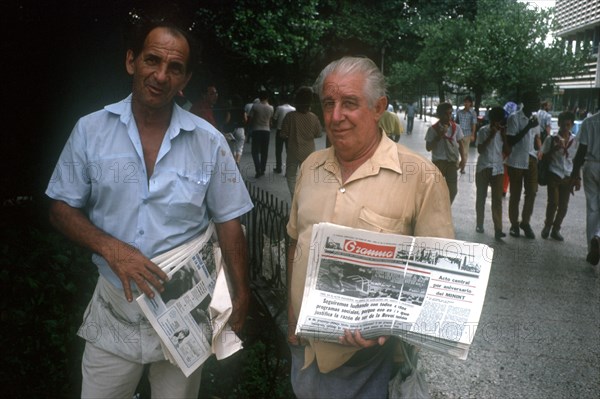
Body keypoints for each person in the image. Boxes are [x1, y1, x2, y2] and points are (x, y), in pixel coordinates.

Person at [45, 20, 253, 398]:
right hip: (114, 307)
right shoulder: (90, 130)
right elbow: (60, 207)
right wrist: (112, 249)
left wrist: (241, 295)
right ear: (131, 62)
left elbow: (229, 222)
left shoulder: (209, 142)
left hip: (184, 314)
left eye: (174, 68)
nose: (160, 75)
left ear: (185, 78)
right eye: (152, 60)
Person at [286, 56, 454, 399]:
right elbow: (295, 241)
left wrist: (383, 326)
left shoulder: (420, 178)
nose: (335, 117)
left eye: (349, 103)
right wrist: (292, 314)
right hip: (304, 352)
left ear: (379, 108)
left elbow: (440, 279)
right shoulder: (311, 167)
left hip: (372, 362)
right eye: (328, 103)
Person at [506, 91, 542, 239]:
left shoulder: (535, 118)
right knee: (515, 194)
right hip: (516, 161)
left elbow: (536, 137)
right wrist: (528, 126)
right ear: (526, 102)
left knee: (532, 192)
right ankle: (514, 225)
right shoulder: (514, 118)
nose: (538, 104)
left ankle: (525, 222)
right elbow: (511, 141)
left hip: (531, 159)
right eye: (535, 100)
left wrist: (540, 150)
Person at [541, 111, 578, 241]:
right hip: (554, 173)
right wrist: (554, 149)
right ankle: (547, 226)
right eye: (563, 125)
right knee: (553, 202)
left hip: (567, 175)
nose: (565, 128)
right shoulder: (551, 138)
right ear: (558, 124)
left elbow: (575, 160)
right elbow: (543, 156)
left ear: (572, 125)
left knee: (563, 205)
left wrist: (576, 178)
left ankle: (556, 229)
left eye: (568, 125)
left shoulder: (575, 140)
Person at [280, 86, 322, 197]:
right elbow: (319, 134)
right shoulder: (314, 117)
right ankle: (306, 198)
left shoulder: (290, 117)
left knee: (291, 176)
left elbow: (283, 134)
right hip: (309, 152)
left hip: (293, 150)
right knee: (307, 176)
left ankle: (295, 198)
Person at [570, 110, 600, 265]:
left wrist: (575, 174)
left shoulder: (589, 122)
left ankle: (591, 248)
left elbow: (581, 150)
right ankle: (598, 237)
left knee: (593, 209)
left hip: (590, 166)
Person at [475, 107, 508, 240]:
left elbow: (508, 150)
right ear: (491, 119)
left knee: (497, 200)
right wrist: (491, 135)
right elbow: (480, 149)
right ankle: (479, 223)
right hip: (483, 167)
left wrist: (504, 136)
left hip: (498, 169)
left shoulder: (503, 132)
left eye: (499, 120)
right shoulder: (483, 131)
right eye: (494, 120)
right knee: (481, 197)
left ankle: (498, 229)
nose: (497, 123)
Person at [425, 102, 466, 204]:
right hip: (438, 163)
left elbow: (461, 144)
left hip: (451, 162)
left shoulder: (456, 128)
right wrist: (438, 136)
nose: (448, 116)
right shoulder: (433, 129)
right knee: (436, 189)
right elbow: (428, 148)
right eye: (445, 114)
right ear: (439, 114)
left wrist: (463, 160)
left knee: (453, 190)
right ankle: (436, 208)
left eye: (450, 113)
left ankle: (445, 208)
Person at [248, 90, 274, 178]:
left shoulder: (255, 106)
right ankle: (262, 169)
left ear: (259, 97)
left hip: (256, 130)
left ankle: (257, 168)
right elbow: (270, 120)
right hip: (266, 130)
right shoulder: (271, 108)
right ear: (267, 97)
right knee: (264, 151)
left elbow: (250, 118)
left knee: (254, 151)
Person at [272, 94, 296, 173]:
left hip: (280, 130)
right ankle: (288, 170)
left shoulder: (279, 108)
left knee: (278, 151)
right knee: (289, 151)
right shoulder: (293, 109)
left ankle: (279, 168)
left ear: (282, 100)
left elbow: (275, 118)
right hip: (290, 131)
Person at [455, 95, 478, 174]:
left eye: (468, 102)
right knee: (457, 151)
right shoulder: (459, 112)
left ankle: (462, 168)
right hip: (459, 134)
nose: (466, 103)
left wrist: (473, 134)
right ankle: (458, 165)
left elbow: (474, 124)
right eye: (465, 102)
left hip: (467, 134)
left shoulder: (473, 113)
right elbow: (456, 123)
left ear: (471, 103)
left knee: (465, 152)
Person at [222, 94, 247, 164]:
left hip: (231, 130)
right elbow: (245, 119)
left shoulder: (230, 109)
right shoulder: (242, 109)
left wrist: (223, 124)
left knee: (232, 147)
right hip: (240, 129)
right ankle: (237, 161)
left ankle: (232, 162)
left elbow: (227, 120)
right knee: (240, 147)